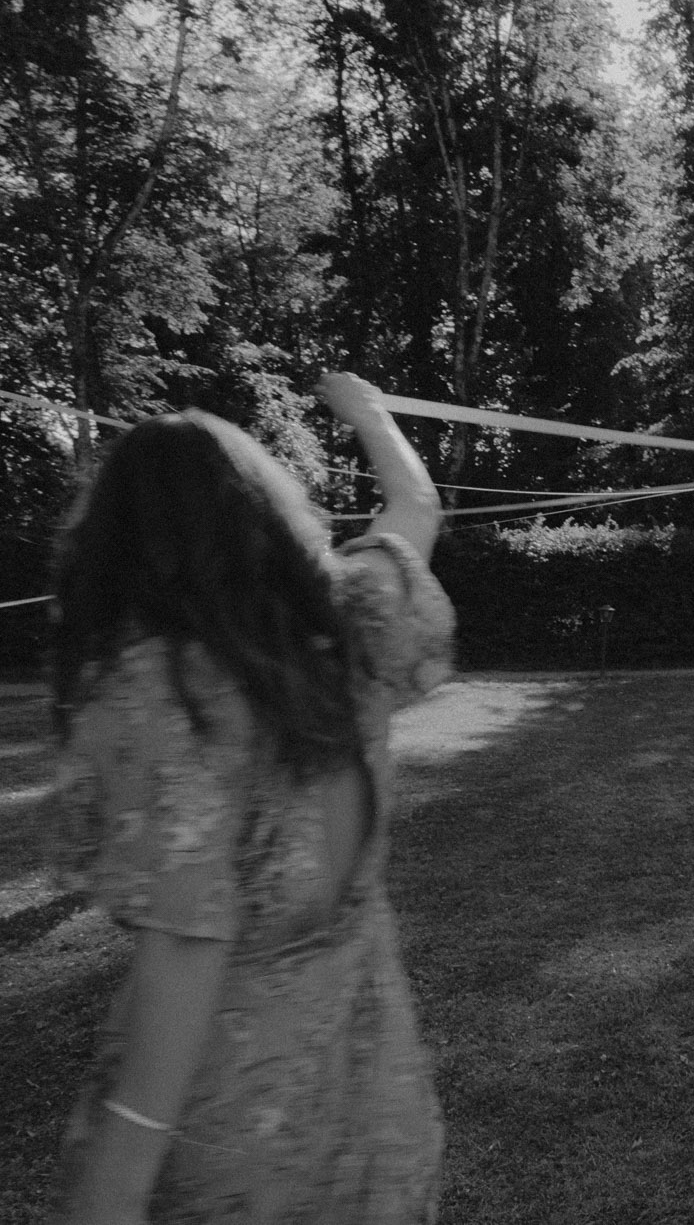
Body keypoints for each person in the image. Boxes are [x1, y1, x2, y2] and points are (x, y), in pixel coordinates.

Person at [47, 373, 454, 1225]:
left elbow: (186, 947)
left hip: (238, 1132)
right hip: (374, 1090)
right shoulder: (353, 627)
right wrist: (369, 411)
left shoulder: (164, 695)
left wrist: (116, 1182)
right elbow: (416, 505)